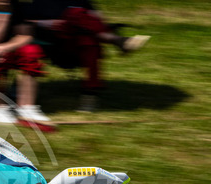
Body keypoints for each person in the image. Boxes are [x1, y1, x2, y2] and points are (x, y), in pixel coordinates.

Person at [21, 0, 150, 112]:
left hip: (76, 40)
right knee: (75, 14)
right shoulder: (37, 2)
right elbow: (25, 21)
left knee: (86, 37)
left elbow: (98, 19)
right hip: (52, 40)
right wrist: (48, 23)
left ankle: (89, 93)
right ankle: (117, 41)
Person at [0, 0, 52, 125]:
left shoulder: (17, 7)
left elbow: (25, 35)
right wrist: (3, 13)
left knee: (31, 52)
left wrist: (5, 47)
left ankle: (27, 107)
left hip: (7, 48)